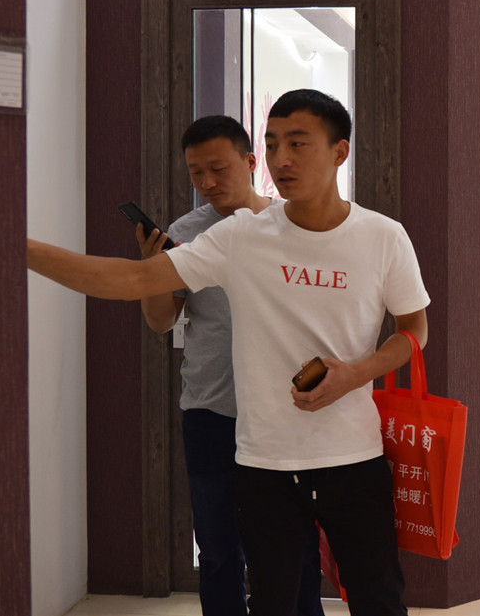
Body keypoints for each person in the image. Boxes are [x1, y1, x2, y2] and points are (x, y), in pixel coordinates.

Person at [29, 90, 428, 616]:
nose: (281, 158)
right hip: (264, 463)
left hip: (354, 456)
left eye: (298, 143)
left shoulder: (383, 236)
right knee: (270, 602)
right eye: (273, 143)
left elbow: (414, 329)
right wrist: (21, 249)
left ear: (339, 152)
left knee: (379, 602)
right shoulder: (241, 235)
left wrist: (356, 374)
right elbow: (131, 280)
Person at [133, 115, 323, 616]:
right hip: (211, 411)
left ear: (250, 161)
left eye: (218, 168)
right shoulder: (186, 233)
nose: (208, 182)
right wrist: (152, 271)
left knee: (296, 545)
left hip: (286, 411)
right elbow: (161, 321)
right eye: (196, 172)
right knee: (218, 546)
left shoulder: (293, 223)